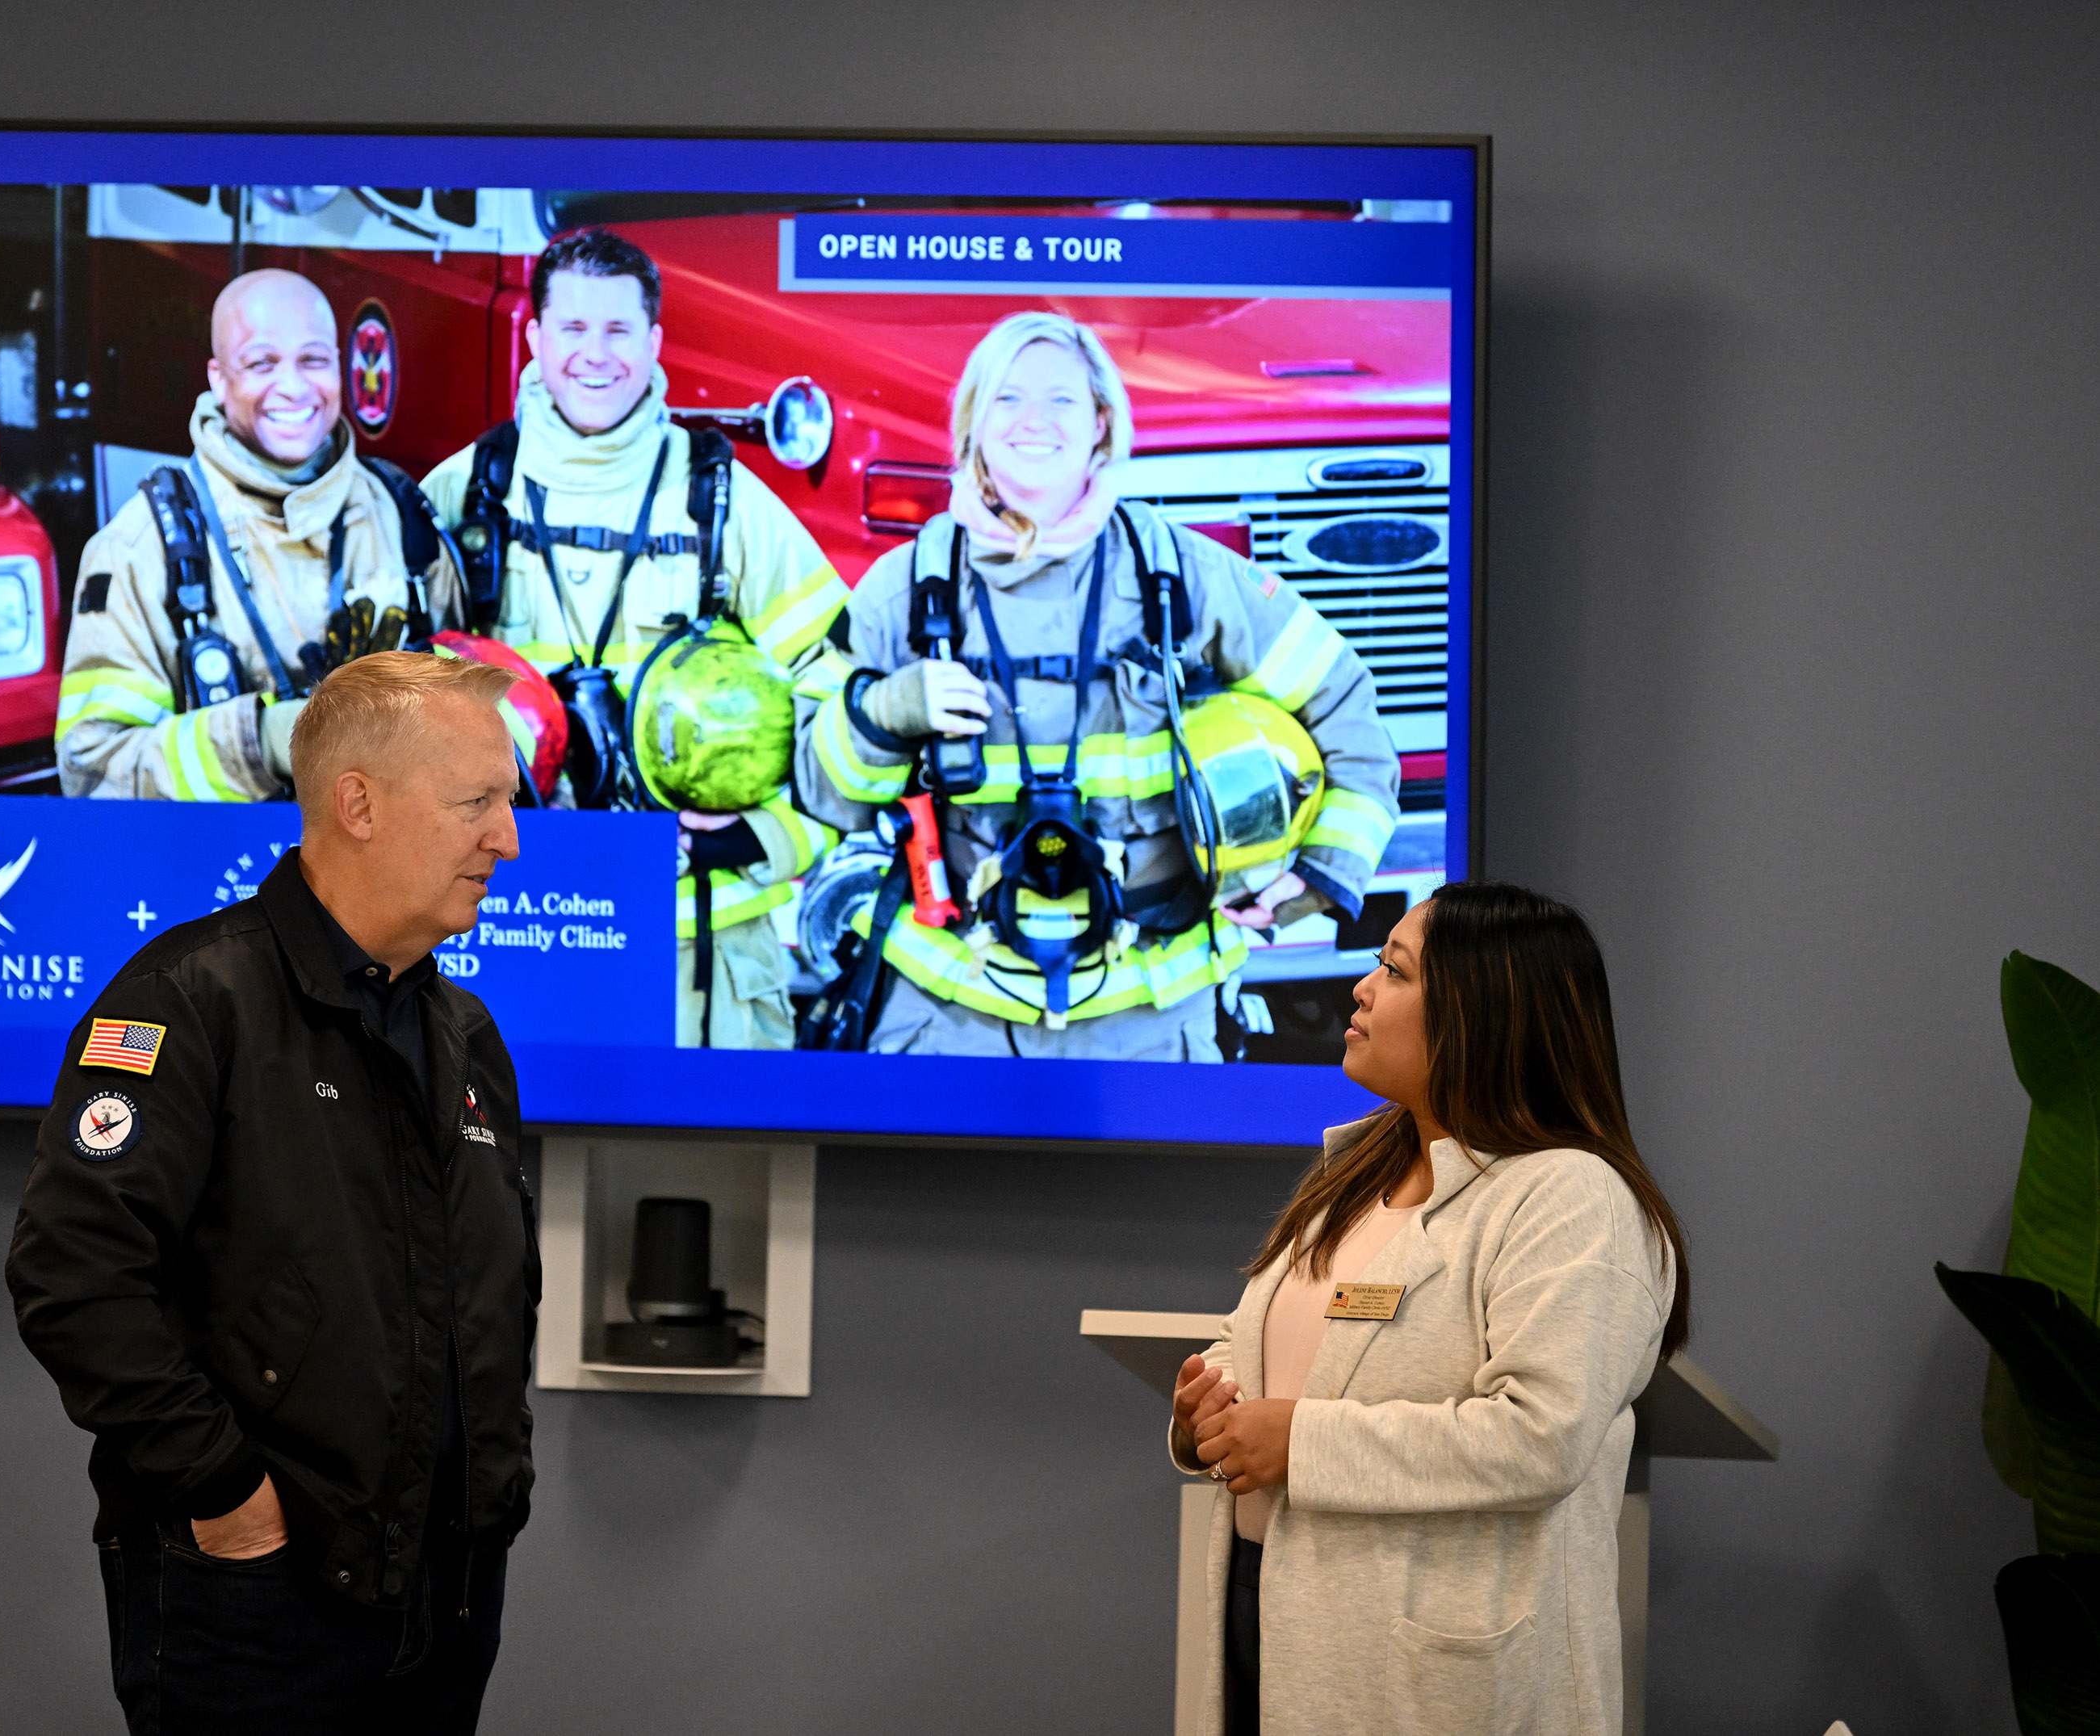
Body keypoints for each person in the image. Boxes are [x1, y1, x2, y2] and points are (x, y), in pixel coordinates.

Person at [8, 652, 535, 1735]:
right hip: (253, 1598)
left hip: (444, 1597)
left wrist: (490, 1496)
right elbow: (73, 1276)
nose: (507, 839)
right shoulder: (190, 1002)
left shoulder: (466, 1034)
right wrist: (226, 1497)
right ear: (359, 804)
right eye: (476, 802)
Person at [790, 311, 1399, 1059]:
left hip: (1151, 1026)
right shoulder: (907, 587)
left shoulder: (1180, 576)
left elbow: (1349, 715)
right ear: (973, 419)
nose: (1034, 421)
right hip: (949, 1026)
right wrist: (884, 712)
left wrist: (1320, 875)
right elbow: (817, 789)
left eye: (1062, 400)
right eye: (1008, 399)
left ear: (1102, 422)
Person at [1168, 883, 1691, 1735]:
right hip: (1266, 1598)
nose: (1361, 988)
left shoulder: (1571, 1197)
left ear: (1484, 1012)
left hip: (1439, 1677)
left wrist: (1299, 1440)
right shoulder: (1356, 1170)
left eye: (1395, 970)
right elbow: (1251, 1336)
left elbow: (1539, 1434)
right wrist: (1210, 1412)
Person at [421, 229, 849, 1049]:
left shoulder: (724, 501)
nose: (596, 354)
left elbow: (837, 689)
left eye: (619, 331)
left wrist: (767, 836)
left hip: (700, 939)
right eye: (574, 330)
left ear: (655, 342)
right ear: (535, 338)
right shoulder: (466, 493)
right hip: (511, 927)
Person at [57, 269, 463, 800]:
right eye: (261, 363)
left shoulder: (400, 514)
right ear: (218, 379)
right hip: (228, 877)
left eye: (313, 360)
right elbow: (93, 775)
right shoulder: (138, 549)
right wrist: (261, 742)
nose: (293, 387)